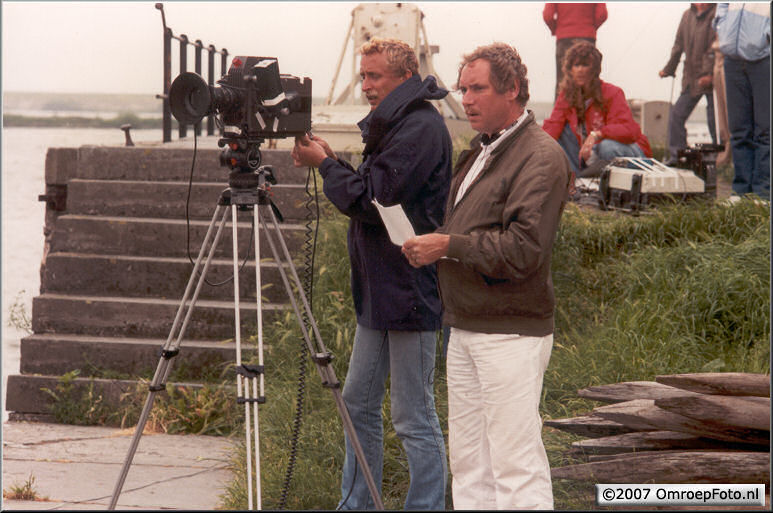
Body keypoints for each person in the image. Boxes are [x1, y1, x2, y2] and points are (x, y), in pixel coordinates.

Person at [402, 42, 571, 510]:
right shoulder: (481, 149)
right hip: (466, 325)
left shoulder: (541, 155)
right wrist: (437, 241)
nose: (467, 99)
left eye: (478, 89)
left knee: (516, 466)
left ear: (513, 89)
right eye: (463, 89)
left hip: (510, 332)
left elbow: (524, 250)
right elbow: (472, 226)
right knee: (471, 463)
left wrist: (447, 245)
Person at [291, 37, 450, 510]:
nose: (365, 86)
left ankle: (424, 507)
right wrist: (334, 162)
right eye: (363, 76)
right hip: (381, 291)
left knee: (412, 416)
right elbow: (372, 189)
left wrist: (325, 166)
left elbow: (373, 200)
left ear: (404, 76)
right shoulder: (398, 123)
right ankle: (358, 504)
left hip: (411, 291)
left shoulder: (420, 127)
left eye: (374, 76)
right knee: (357, 404)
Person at [542, 41, 652, 179]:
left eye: (585, 65)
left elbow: (630, 131)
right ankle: (577, 182)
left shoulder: (613, 92)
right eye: (576, 65)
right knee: (555, 140)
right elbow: (553, 125)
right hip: (592, 157)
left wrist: (597, 135)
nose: (580, 70)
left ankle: (606, 183)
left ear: (595, 69)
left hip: (628, 153)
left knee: (607, 147)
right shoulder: (566, 95)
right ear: (570, 70)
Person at [713, 3, 770, 200]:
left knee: (765, 130)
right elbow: (723, 5)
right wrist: (721, 26)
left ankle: (763, 194)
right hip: (733, 60)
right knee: (738, 130)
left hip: (764, 59)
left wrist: (766, 37)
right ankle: (740, 191)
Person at [659, 3, 717, 165]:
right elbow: (678, 45)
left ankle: (720, 160)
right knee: (676, 116)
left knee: (714, 120)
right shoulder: (687, 15)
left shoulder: (717, 13)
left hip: (713, 79)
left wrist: (708, 73)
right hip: (691, 79)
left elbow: (713, 48)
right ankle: (678, 157)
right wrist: (669, 69)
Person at [543, 3, 607, 98]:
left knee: (563, 81)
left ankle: (562, 111)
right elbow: (602, 14)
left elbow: (547, 16)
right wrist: (590, 27)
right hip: (587, 37)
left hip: (564, 39)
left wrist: (557, 29)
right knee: (589, 80)